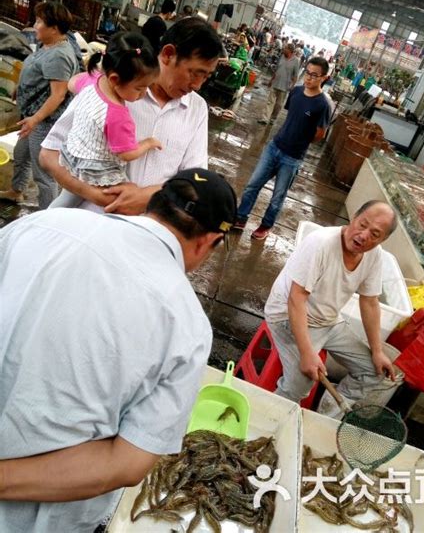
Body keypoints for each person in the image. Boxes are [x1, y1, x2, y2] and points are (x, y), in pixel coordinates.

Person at [0, 167, 237, 533]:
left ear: (154, 205)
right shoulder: (187, 326)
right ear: (208, 242)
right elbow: (127, 463)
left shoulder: (42, 225)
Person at [40, 17, 224, 215]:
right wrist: (96, 195)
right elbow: (49, 154)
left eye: (206, 76)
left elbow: (194, 180)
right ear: (168, 54)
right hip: (85, 219)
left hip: (144, 232)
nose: (197, 85)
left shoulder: (197, 109)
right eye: (195, 73)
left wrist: (147, 197)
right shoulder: (112, 87)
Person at [264, 201, 398, 418]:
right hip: (288, 315)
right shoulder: (321, 243)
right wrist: (308, 353)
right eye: (362, 224)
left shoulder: (374, 255)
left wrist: (377, 351)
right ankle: (268, 421)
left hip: (329, 321)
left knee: (373, 372)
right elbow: (296, 299)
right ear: (354, 217)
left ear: (383, 239)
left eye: (375, 234)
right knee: (300, 385)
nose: (363, 236)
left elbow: (370, 302)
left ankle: (325, 418)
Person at [49, 32, 162, 208]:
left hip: (74, 156)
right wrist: (148, 143)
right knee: (129, 194)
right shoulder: (118, 115)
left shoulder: (93, 79)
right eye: (140, 88)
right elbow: (126, 153)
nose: (144, 93)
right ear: (115, 79)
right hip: (98, 170)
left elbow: (72, 83)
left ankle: (50, 215)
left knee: (67, 198)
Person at [233, 57, 331, 240]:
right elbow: (290, 116)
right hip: (274, 147)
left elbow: (320, 134)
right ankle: (240, 218)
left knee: (277, 197)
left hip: (293, 157)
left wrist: (300, 140)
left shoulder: (323, 105)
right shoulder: (296, 92)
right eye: (307, 73)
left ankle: (265, 226)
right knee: (252, 185)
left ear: (324, 78)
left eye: (314, 75)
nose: (309, 78)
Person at [0, 1, 79, 208]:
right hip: (31, 116)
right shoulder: (47, 45)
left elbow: (58, 95)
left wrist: (35, 120)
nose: (35, 26)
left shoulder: (60, 56)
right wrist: (21, 87)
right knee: (21, 155)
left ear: (54, 28)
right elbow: (36, 73)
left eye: (39, 21)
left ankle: (47, 215)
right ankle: (16, 191)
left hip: (44, 122)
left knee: (43, 172)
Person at [258, 43, 299, 125]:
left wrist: (292, 86)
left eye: (285, 48)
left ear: (290, 50)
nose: (283, 49)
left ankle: (273, 119)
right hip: (275, 83)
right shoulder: (282, 57)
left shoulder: (296, 61)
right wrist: (271, 80)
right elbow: (277, 70)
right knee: (270, 102)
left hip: (285, 86)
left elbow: (295, 76)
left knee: (278, 105)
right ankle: (265, 119)